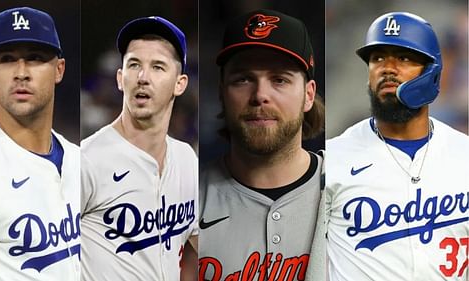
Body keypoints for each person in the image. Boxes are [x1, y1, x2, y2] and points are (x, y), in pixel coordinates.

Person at [326, 12, 469, 281]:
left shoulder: (464, 154)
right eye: (377, 58)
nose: (387, 68)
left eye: (403, 57)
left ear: (432, 72)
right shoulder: (333, 159)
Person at [198, 9, 325, 280]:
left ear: (308, 95)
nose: (260, 96)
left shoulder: (350, 193)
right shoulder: (185, 201)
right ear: (222, 93)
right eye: (243, 79)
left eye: (279, 79)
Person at [80, 16, 198, 280]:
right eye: (134, 65)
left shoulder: (186, 158)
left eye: (158, 67)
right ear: (121, 78)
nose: (143, 77)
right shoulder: (87, 161)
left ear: (180, 84)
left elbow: (203, 246)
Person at [0, 7, 80, 281]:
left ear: (59, 69)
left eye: (35, 58)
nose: (21, 72)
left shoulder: (81, 161)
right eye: (7, 59)